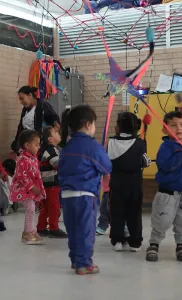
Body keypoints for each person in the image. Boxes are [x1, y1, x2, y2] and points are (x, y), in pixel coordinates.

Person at [59, 104, 112, 275]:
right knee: (86, 231)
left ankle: (76, 260)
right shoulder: (92, 146)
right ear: (88, 124)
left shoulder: (66, 147)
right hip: (85, 196)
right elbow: (107, 167)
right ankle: (84, 264)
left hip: (67, 196)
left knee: (73, 230)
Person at [146, 111, 182, 262]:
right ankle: (154, 244)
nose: (178, 128)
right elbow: (166, 166)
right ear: (165, 129)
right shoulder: (166, 147)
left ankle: (181, 245)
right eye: (173, 125)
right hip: (167, 194)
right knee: (162, 220)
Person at [108, 112, 151, 252]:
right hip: (134, 184)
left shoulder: (111, 142)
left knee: (117, 212)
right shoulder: (139, 143)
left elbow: (108, 161)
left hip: (116, 183)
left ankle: (117, 241)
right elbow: (145, 162)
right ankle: (135, 242)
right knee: (134, 212)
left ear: (119, 127)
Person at [10, 130, 46, 245]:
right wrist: (32, 187)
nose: (38, 147)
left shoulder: (33, 157)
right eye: (36, 145)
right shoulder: (22, 159)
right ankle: (27, 234)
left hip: (31, 189)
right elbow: (21, 176)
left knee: (32, 209)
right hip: (24, 189)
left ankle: (30, 231)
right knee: (30, 209)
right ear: (26, 145)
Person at [36, 126, 67, 238]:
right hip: (52, 183)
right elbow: (58, 165)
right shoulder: (51, 150)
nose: (58, 133)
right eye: (55, 132)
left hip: (45, 183)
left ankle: (41, 227)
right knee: (54, 207)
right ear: (50, 139)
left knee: (46, 207)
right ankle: (54, 228)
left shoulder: (48, 150)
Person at [11, 86, 60, 155]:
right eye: (20, 100)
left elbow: (55, 122)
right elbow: (20, 128)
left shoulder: (43, 106)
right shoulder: (25, 110)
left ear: (30, 95)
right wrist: (16, 144)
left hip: (40, 146)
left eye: (22, 99)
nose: (21, 102)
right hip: (28, 146)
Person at [0, 159, 16, 229]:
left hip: (6, 202)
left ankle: (4, 210)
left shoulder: (6, 178)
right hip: (8, 201)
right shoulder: (9, 178)